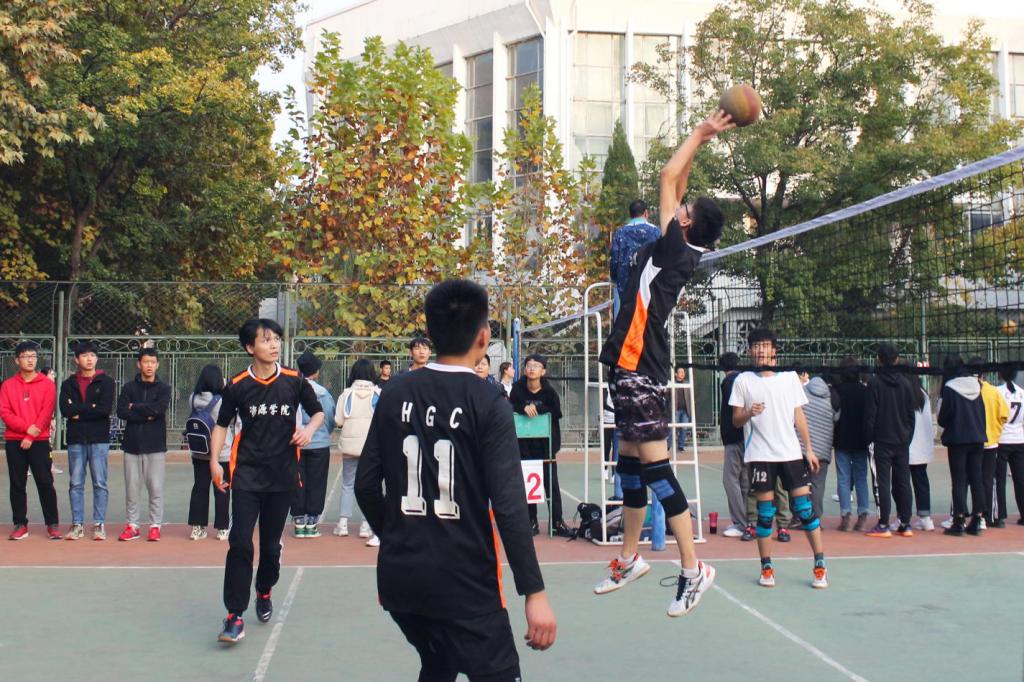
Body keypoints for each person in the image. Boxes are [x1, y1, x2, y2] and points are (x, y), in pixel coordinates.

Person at [355, 279, 556, 681]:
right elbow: (510, 505)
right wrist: (533, 591)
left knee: (438, 663)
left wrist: (396, 537)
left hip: (402, 578)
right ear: (483, 337)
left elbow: (365, 484)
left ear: (429, 335)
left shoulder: (394, 392)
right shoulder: (489, 402)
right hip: (465, 583)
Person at [595, 110, 731, 616]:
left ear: (686, 222)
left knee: (655, 468)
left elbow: (668, 176)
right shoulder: (680, 243)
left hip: (639, 363)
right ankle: (630, 558)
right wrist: (701, 145)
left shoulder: (676, 245)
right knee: (630, 460)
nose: (677, 206)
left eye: (683, 209)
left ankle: (693, 569)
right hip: (631, 362)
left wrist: (702, 132)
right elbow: (680, 182)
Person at [207, 318, 324, 644]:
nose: (274, 345)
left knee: (270, 546)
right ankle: (234, 615)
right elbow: (222, 425)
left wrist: (309, 430)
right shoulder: (237, 385)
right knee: (240, 542)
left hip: (283, 475)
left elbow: (317, 413)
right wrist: (214, 462)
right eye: (266, 340)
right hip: (246, 474)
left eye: (276, 340)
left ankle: (264, 589)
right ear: (250, 347)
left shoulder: (294, 380)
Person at [730, 328, 829, 589]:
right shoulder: (743, 381)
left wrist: (809, 449)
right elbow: (736, 420)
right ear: (750, 351)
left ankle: (820, 565)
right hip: (760, 455)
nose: (760, 350)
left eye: (765, 346)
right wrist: (749, 412)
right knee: (764, 516)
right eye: (755, 346)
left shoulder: (789, 378)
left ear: (774, 350)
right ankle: (766, 568)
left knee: (805, 510)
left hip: (791, 454)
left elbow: (799, 416)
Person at [1, 341, 60, 540]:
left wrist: (31, 436)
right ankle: (20, 524)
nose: (30, 360)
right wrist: (26, 430)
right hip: (14, 441)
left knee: (45, 482)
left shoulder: (47, 384)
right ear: (17, 360)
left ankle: (52, 524)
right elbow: (5, 412)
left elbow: (47, 411)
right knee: (17, 484)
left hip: (39, 440)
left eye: (33, 356)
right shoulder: (8, 385)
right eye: (25, 356)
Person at [59, 340, 115, 541]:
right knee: (76, 483)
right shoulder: (68, 384)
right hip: (76, 439)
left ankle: (99, 524)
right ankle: (77, 524)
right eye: (84, 355)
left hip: (99, 439)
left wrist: (79, 411)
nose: (89, 359)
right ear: (77, 359)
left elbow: (104, 409)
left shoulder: (106, 382)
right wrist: (90, 407)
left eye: (92, 355)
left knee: (100, 482)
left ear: (96, 358)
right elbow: (66, 410)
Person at [510, 354, 570, 537]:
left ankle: (557, 522)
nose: (532, 368)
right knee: (528, 484)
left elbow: (556, 412)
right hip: (524, 445)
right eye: (529, 365)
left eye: (536, 366)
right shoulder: (517, 389)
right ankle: (531, 521)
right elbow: (510, 406)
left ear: (543, 371)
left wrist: (538, 409)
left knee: (551, 484)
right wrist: (523, 408)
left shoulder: (549, 392)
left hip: (546, 445)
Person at [862, 344, 919, 538]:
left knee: (883, 482)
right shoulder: (906, 383)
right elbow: (911, 415)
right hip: (901, 440)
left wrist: (870, 438)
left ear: (879, 359)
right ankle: (905, 523)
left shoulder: (875, 383)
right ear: (897, 359)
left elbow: (870, 415)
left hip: (883, 440)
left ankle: (884, 524)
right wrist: (907, 437)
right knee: (903, 481)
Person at [116, 348, 172, 542]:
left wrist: (135, 407)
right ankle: (132, 525)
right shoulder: (128, 388)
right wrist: (145, 414)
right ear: (139, 364)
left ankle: (155, 525)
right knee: (132, 488)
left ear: (157, 364)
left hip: (155, 445)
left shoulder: (164, 388)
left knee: (155, 488)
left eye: (153, 362)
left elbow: (159, 410)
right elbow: (121, 411)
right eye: (146, 362)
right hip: (131, 445)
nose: (149, 365)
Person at [333, 358, 382, 546]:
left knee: (347, 483)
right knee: (370, 485)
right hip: (371, 446)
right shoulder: (378, 393)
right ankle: (365, 525)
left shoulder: (346, 394)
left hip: (350, 445)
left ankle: (343, 524)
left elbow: (338, 420)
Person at [937, 355, 986, 536]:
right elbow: (982, 413)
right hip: (977, 438)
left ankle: (958, 521)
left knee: (959, 480)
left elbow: (942, 419)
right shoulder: (977, 385)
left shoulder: (950, 388)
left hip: (958, 440)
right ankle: (977, 520)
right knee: (977, 479)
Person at [187, 365, 236, 541]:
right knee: (221, 488)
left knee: (200, 488)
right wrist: (225, 387)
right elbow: (230, 419)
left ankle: (197, 528)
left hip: (199, 451)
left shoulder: (193, 398)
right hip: (221, 451)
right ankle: (222, 528)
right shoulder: (222, 400)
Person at [292, 351, 336, 539]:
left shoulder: (292, 388)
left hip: (296, 443)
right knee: (317, 481)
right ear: (316, 371)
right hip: (318, 443)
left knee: (297, 481)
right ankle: (311, 522)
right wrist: (323, 432)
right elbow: (329, 417)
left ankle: (298, 521)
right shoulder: (323, 393)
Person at [796, 366, 839, 521]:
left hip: (801, 447)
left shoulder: (802, 392)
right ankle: (816, 519)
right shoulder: (833, 398)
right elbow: (837, 419)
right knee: (817, 485)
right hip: (822, 450)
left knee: (799, 484)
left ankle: (798, 516)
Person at [833, 356, 871, 532]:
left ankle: (845, 514)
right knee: (861, 477)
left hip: (842, 438)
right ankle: (863, 513)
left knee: (843, 477)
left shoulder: (838, 391)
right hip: (860, 439)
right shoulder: (864, 391)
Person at [971, 357, 1009, 527]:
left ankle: (967, 515)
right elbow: (1004, 415)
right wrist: (995, 428)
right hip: (990, 442)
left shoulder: (967, 391)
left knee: (968, 480)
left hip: (972, 442)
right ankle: (988, 516)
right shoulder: (994, 391)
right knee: (987, 480)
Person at [718, 352, 748, 539]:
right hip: (746, 436)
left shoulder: (729, 382)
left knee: (730, 480)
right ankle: (746, 520)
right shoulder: (745, 380)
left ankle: (740, 522)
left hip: (734, 436)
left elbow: (734, 409)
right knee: (744, 480)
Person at [995, 366, 1024, 526]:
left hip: (1002, 439)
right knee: (1020, 479)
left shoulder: (997, 391)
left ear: (1000, 374)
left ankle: (999, 516)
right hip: (1019, 439)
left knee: (999, 479)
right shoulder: (1021, 392)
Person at [908, 379, 936, 531]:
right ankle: (925, 518)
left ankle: (902, 518)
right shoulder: (923, 394)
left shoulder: (906, 392)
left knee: (902, 483)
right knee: (921, 481)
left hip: (907, 445)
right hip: (921, 445)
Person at [38, 366, 62, 475]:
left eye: (54, 374)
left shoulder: (51, 387)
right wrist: (49, 420)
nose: (53, 376)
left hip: (49, 420)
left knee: (48, 445)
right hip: (42, 422)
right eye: (51, 374)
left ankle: (50, 465)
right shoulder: (40, 387)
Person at [669, 365, 691, 453]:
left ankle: (681, 446)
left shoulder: (687, 384)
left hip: (685, 410)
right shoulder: (672, 384)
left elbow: (690, 398)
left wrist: (690, 410)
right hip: (675, 410)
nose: (682, 374)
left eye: (683, 372)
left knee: (684, 428)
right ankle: (668, 446)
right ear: (676, 374)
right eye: (680, 372)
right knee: (672, 429)